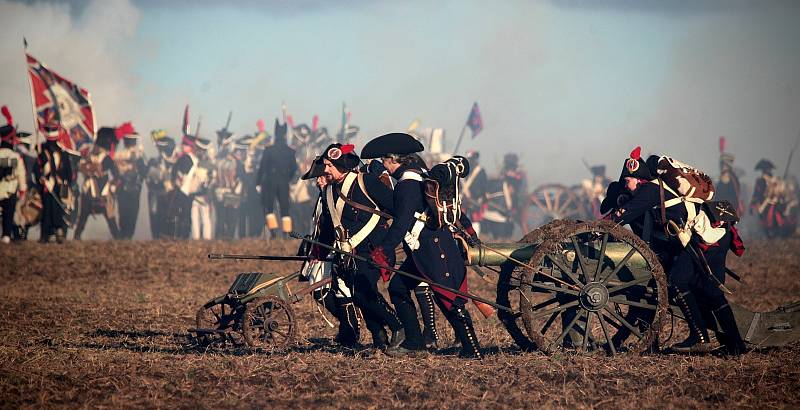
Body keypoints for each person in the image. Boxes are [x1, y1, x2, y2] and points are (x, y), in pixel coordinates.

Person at [604, 146, 746, 355]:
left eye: (627, 181)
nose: (626, 187)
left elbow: (619, 217)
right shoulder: (649, 190)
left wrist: (594, 229)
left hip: (708, 237)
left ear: (638, 178)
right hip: (709, 236)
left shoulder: (649, 190)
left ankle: (699, 338)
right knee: (711, 292)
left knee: (677, 281)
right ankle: (737, 347)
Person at [361, 132, 483, 359]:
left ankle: (473, 350)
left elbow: (401, 223)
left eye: (385, 161)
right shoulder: (420, 176)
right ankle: (415, 341)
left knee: (450, 302)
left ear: (394, 159)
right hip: (423, 250)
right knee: (398, 287)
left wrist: (383, 250)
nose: (384, 167)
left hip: (433, 250)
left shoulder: (407, 185)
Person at [314, 143, 404, 349]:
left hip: (374, 248)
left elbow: (396, 210)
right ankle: (379, 337)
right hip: (347, 252)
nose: (325, 169)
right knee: (358, 295)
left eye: (330, 165)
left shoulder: (367, 182)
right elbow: (330, 225)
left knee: (364, 292)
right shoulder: (329, 192)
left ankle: (397, 326)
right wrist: (321, 250)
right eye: (325, 165)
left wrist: (387, 244)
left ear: (342, 164)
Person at [74, 125, 129, 240]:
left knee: (111, 220)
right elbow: (80, 167)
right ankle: (76, 237)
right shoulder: (88, 156)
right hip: (89, 192)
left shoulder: (106, 158)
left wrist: (112, 188)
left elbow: (117, 176)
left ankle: (118, 239)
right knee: (82, 219)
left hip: (103, 193)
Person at [258, 120, 298, 239]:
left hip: (270, 182)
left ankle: (273, 231)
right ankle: (286, 232)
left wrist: (258, 182)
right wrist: (287, 179)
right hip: (284, 182)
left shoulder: (268, 150)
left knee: (269, 207)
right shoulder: (290, 151)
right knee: (285, 208)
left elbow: (262, 168)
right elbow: (294, 169)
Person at [36, 123, 74, 243]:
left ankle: (56, 232)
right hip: (47, 184)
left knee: (55, 209)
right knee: (48, 210)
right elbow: (37, 168)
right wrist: (41, 178)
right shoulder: (42, 150)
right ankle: (46, 235)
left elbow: (68, 172)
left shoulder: (62, 152)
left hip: (57, 185)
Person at [0, 106, 27, 243]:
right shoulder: (16, 157)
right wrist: (22, 189)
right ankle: (6, 235)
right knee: (8, 214)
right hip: (10, 190)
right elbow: (20, 174)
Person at [115, 130, 147, 239]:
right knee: (127, 212)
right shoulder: (121, 154)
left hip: (133, 186)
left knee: (128, 212)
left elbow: (143, 172)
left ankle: (127, 234)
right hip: (124, 186)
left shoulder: (138, 154)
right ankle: (126, 234)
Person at [145, 130, 177, 239]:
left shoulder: (176, 162)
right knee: (155, 219)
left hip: (169, 195)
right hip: (155, 194)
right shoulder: (153, 161)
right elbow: (148, 179)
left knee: (169, 219)